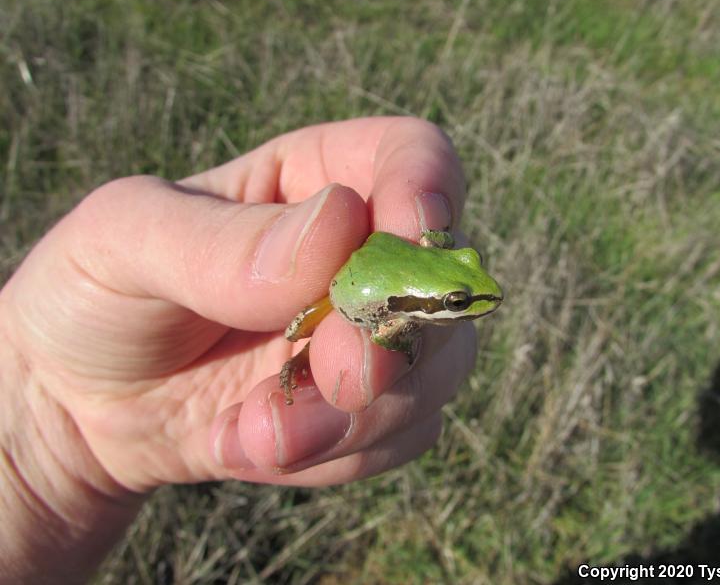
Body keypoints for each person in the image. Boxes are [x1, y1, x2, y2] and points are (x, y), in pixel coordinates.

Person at [0, 117, 478, 583]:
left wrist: (52, 465)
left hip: (377, 280)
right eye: (457, 302)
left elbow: (430, 244)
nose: (472, 302)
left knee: (353, 382)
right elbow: (381, 334)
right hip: (351, 295)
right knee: (345, 356)